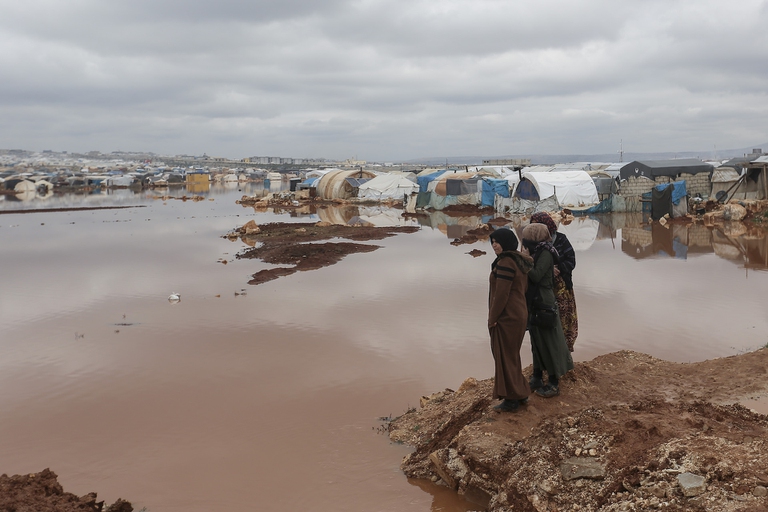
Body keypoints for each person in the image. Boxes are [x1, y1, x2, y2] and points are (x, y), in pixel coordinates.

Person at [521, 223, 574, 398]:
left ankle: (553, 382)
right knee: (537, 341)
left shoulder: (545, 253)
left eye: (527, 237)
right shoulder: (537, 251)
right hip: (535, 301)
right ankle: (537, 376)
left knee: (550, 341)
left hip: (544, 301)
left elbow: (535, 275)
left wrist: (525, 259)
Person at [487, 228, 534, 413]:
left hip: (508, 316)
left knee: (505, 357)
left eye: (497, 241)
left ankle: (511, 399)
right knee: (511, 356)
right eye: (492, 242)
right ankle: (520, 393)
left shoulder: (506, 262)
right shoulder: (518, 260)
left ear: (506, 242)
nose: (494, 245)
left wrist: (492, 318)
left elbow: (501, 295)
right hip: (518, 313)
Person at [530, 212, 578, 352]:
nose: (535, 228)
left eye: (538, 224)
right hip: (542, 291)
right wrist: (547, 269)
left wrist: (559, 269)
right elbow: (529, 266)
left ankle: (563, 356)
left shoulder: (561, 240)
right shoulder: (531, 244)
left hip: (561, 289)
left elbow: (571, 261)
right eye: (532, 224)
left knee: (562, 321)